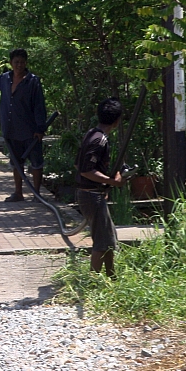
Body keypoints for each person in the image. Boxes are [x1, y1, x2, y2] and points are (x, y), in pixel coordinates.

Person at [0, 49, 48, 202]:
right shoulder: (5, 79)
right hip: (11, 129)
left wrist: (40, 128)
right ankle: (18, 192)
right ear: (11, 63)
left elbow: (39, 106)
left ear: (26, 63)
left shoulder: (32, 81)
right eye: (16, 62)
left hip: (30, 131)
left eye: (22, 62)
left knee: (36, 163)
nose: (19, 65)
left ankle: (37, 194)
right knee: (16, 162)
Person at [75, 97, 126, 278]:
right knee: (101, 243)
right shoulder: (99, 140)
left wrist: (108, 179)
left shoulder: (92, 134)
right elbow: (86, 170)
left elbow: (78, 165)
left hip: (93, 194)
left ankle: (112, 277)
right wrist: (112, 182)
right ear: (117, 121)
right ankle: (94, 281)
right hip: (91, 196)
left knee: (108, 238)